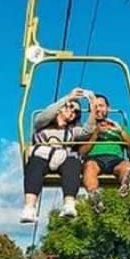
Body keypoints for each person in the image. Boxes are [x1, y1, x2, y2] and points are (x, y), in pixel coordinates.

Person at [20, 87, 96, 223]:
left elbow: (88, 131)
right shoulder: (42, 125)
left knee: (73, 161)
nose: (73, 112)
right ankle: (29, 207)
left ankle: (69, 204)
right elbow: (43, 116)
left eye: (76, 112)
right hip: (42, 154)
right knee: (34, 164)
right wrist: (68, 98)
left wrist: (93, 108)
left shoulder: (73, 130)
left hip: (62, 157)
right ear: (60, 108)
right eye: (71, 107)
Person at [79, 93, 130, 211]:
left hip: (116, 159)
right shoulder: (86, 129)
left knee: (125, 166)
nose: (98, 109)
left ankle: (127, 183)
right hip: (94, 158)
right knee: (90, 167)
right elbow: (81, 152)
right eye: (95, 106)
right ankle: (94, 195)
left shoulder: (119, 126)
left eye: (101, 106)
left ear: (108, 108)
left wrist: (120, 131)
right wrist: (95, 134)